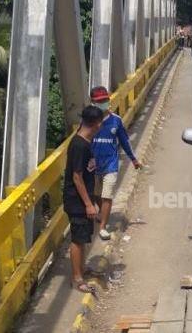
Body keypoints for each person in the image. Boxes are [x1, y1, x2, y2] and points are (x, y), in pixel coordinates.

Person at [90, 86, 142, 240]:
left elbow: (125, 142)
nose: (103, 103)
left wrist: (133, 159)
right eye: (99, 101)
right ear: (92, 102)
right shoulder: (89, 120)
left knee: (107, 195)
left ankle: (102, 227)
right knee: (96, 194)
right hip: (93, 165)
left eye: (105, 100)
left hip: (111, 165)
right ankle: (101, 212)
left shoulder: (116, 121)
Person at [63, 105, 104, 293]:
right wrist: (88, 204)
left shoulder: (86, 142)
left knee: (84, 236)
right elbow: (77, 177)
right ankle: (77, 278)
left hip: (84, 199)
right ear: (96, 124)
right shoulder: (79, 146)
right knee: (78, 239)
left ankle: (83, 268)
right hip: (77, 201)